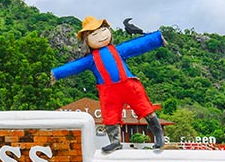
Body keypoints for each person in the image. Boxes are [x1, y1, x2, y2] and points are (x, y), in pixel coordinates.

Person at [51, 17, 166, 153]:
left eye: (102, 31)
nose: (100, 35)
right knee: (110, 116)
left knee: (145, 108)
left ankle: (159, 138)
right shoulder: (91, 59)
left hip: (128, 85)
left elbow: (137, 45)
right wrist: (56, 73)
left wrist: (156, 38)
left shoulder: (117, 50)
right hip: (109, 92)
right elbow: (74, 66)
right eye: (94, 34)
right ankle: (115, 142)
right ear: (87, 41)